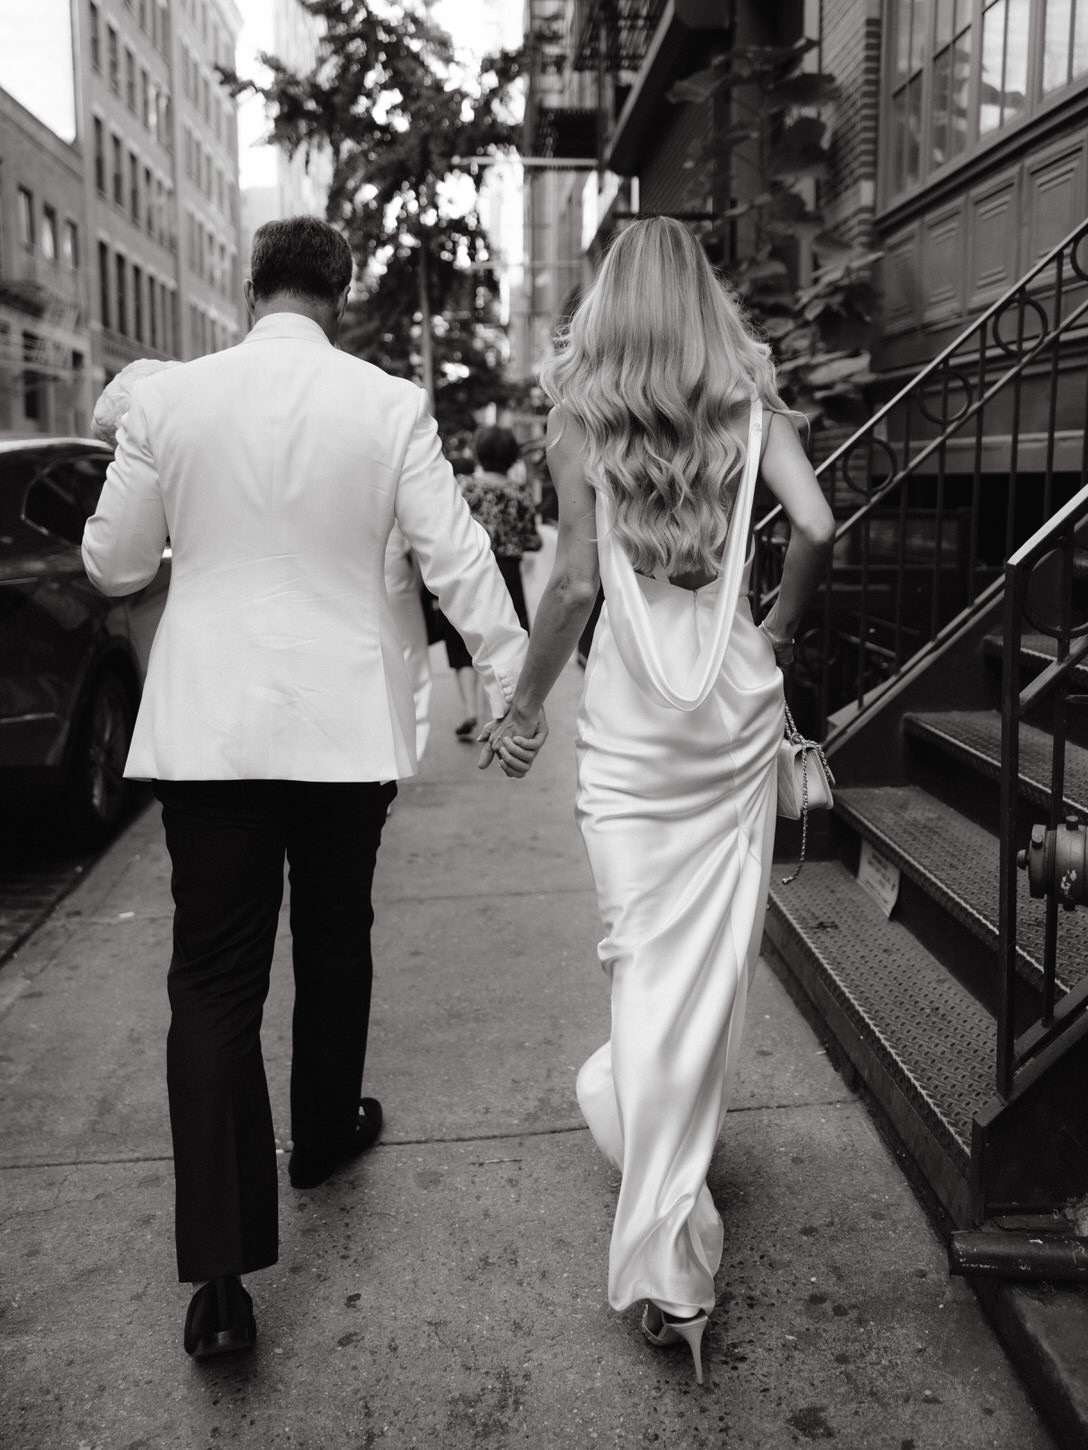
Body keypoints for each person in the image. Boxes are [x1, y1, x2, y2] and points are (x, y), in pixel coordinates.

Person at [81, 216, 534, 1361]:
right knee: (336, 932)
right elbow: (458, 558)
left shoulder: (169, 400)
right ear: (341, 290)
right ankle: (325, 1134)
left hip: (212, 736)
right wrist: (514, 686)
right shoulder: (388, 407)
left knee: (215, 980)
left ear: (249, 287)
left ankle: (223, 1284)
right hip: (342, 734)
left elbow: (114, 565)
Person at [480, 217, 835, 1382]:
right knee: (707, 969)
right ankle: (661, 1177)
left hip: (634, 733)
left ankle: (670, 1268)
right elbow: (818, 526)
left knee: (644, 966)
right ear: (701, 300)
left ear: (611, 301)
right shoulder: (743, 397)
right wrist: (774, 629)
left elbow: (577, 579)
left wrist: (525, 706)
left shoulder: (580, 409)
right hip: (727, 714)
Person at [439, 429, 541, 740]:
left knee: (462, 639)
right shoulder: (520, 494)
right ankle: (506, 712)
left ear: (479, 454)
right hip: (506, 573)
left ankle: (470, 708)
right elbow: (532, 540)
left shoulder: (462, 487)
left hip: (468, 568)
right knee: (506, 639)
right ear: (512, 458)